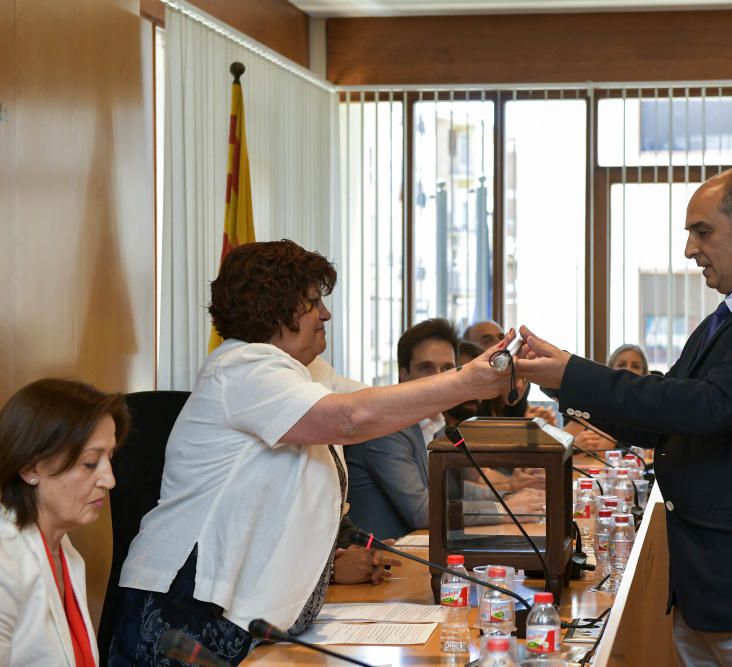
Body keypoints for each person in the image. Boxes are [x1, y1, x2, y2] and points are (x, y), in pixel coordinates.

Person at [107, 240, 513, 665]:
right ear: (274, 308)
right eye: (314, 302)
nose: (326, 314)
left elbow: (382, 404)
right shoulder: (243, 369)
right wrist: (467, 381)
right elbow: (351, 418)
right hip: (188, 605)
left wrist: (484, 377)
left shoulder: (303, 373)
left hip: (248, 616)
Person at [517, 167, 732, 665]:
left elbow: (706, 407)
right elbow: (660, 418)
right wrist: (559, 378)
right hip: (712, 592)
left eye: (702, 232)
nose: (690, 250)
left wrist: (575, 373)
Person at [345, 319, 545, 539]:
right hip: (385, 560)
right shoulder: (387, 428)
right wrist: (505, 509)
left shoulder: (436, 421)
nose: (439, 376)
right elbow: (422, 512)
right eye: (426, 368)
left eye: (447, 368)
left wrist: (509, 496)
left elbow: (453, 488)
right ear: (403, 374)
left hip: (422, 547)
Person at [0, 379, 129, 667]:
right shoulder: (5, 562)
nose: (110, 480)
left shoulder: (68, 555)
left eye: (109, 459)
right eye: (89, 463)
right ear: (31, 467)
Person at [464, 319, 557, 425]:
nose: (499, 344)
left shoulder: (516, 388)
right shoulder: (469, 402)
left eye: (501, 338)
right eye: (487, 341)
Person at [565, 344, 650, 451]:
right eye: (621, 364)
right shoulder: (589, 403)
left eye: (635, 366)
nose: (628, 370)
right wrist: (575, 447)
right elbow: (562, 447)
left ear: (644, 373)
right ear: (609, 370)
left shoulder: (649, 410)